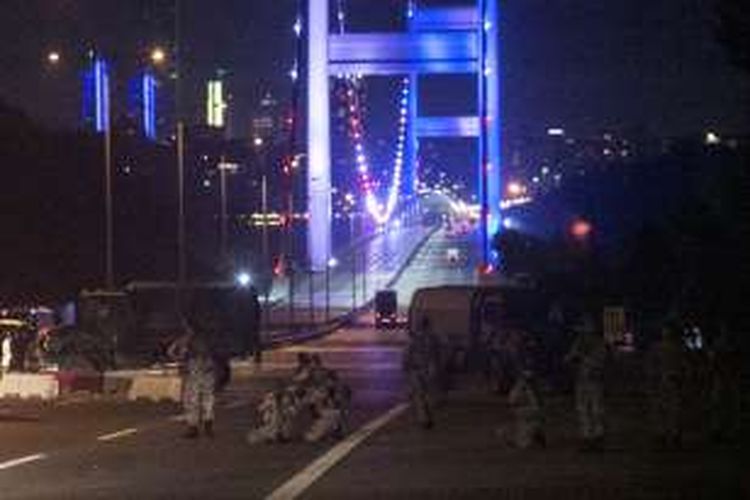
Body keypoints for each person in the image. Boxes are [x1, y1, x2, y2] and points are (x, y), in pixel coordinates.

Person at [169, 320, 219, 439]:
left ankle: (193, 427)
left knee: (192, 399)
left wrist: (180, 359)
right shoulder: (209, 338)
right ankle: (208, 424)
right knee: (208, 397)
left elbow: (171, 351)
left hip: (193, 369)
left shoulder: (187, 339)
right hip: (208, 368)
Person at [565, 314, 607, 451]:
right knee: (584, 410)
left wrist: (584, 360)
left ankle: (597, 437)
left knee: (595, 410)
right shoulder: (579, 342)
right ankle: (588, 437)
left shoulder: (598, 343)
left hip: (594, 381)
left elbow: (601, 363)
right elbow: (569, 359)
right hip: (582, 380)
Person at [647, 322, 687, 449]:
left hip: (673, 381)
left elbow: (684, 366)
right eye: (664, 330)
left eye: (667, 330)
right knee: (661, 409)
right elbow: (651, 364)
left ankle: (673, 435)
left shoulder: (678, 347)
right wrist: (653, 378)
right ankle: (661, 434)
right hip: (661, 381)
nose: (665, 333)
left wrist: (682, 379)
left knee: (673, 410)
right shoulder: (657, 347)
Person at [403, 317, 441, 429]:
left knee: (419, 396)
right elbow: (438, 353)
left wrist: (405, 367)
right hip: (429, 369)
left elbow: (407, 353)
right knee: (428, 395)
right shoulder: (433, 338)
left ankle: (424, 419)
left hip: (416, 369)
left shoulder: (414, 338)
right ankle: (428, 416)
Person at [498, 369, 546, 449]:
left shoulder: (522, 386)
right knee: (531, 422)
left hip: (527, 409)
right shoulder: (532, 387)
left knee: (524, 425)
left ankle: (527, 438)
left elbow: (512, 400)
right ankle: (536, 433)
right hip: (531, 409)